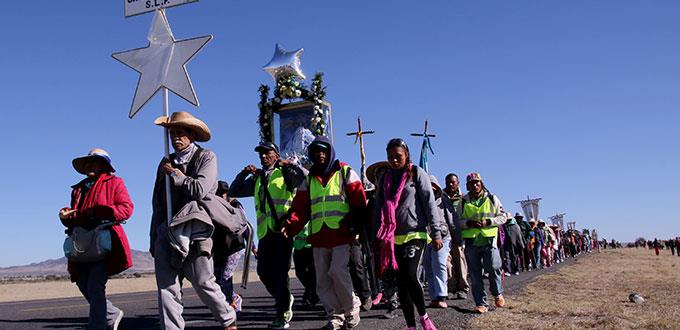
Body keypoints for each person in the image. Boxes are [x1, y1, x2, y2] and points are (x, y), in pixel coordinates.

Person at [150, 111, 239, 330]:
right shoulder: (165, 163)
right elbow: (158, 203)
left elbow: (200, 189)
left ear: (192, 135)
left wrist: (177, 176)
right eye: (172, 134)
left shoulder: (206, 157)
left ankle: (228, 318)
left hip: (196, 229)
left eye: (180, 133)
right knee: (167, 287)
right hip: (166, 230)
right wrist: (154, 237)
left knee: (203, 281)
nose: (175, 138)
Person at [283, 136, 367, 330]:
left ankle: (351, 308)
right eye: (316, 151)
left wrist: (353, 225)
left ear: (330, 152)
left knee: (338, 272)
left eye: (324, 151)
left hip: (341, 234)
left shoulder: (345, 171)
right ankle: (335, 316)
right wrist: (290, 226)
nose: (320, 154)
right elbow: (300, 208)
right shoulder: (308, 179)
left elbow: (359, 202)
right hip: (319, 237)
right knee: (322, 279)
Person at [229, 141, 308, 329]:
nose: (263, 156)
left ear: (276, 154)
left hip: (283, 230)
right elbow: (234, 191)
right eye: (261, 154)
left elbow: (307, 179)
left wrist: (290, 165)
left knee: (280, 273)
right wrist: (243, 174)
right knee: (264, 272)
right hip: (265, 233)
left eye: (267, 153)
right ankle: (285, 298)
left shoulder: (285, 174)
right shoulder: (258, 178)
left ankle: (281, 315)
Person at [372, 138, 442, 330]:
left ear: (407, 155)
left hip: (415, 234)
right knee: (401, 283)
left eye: (398, 156)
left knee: (411, 275)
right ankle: (411, 326)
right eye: (390, 157)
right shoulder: (384, 178)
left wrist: (436, 233)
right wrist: (375, 236)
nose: (394, 160)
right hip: (392, 238)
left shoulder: (416, 173)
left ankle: (424, 317)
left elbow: (429, 203)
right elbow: (378, 208)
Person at [60, 148, 133, 330]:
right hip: (83, 244)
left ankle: (97, 326)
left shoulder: (115, 183)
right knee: (82, 283)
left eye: (94, 162)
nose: (90, 165)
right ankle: (111, 313)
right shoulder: (78, 189)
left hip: (104, 241)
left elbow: (126, 209)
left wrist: (101, 211)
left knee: (94, 285)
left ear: (104, 166)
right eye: (87, 162)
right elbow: (76, 218)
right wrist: (66, 217)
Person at [458, 172, 509, 314]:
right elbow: (458, 222)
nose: (474, 185)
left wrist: (489, 221)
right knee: (475, 275)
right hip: (471, 241)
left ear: (481, 183)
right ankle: (481, 303)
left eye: (477, 182)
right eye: (471, 183)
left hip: (489, 240)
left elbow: (503, 217)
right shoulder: (463, 201)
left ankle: (497, 292)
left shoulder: (492, 198)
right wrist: (469, 223)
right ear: (467, 186)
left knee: (493, 267)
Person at [423, 175, 452, 308]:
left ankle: (441, 295)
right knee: (429, 267)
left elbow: (451, 220)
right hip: (426, 239)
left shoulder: (443, 201)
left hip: (442, 238)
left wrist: (440, 234)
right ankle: (434, 296)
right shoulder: (420, 202)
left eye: (433, 185)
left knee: (439, 265)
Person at [443, 173, 469, 300]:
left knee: (460, 260)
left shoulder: (464, 199)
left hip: (460, 235)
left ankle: (463, 288)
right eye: (448, 182)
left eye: (453, 182)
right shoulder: (441, 197)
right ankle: (451, 288)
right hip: (446, 234)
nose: (450, 184)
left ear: (458, 183)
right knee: (448, 262)